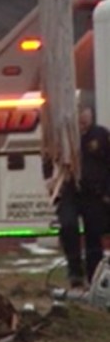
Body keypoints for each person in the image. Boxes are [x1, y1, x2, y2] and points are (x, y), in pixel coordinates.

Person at [53, 106, 110, 288]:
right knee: (68, 225)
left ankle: (94, 277)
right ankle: (75, 271)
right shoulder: (64, 136)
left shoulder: (101, 135)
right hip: (69, 191)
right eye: (78, 114)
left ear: (91, 115)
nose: (82, 118)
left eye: (85, 113)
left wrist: (107, 193)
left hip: (94, 194)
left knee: (93, 235)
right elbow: (49, 158)